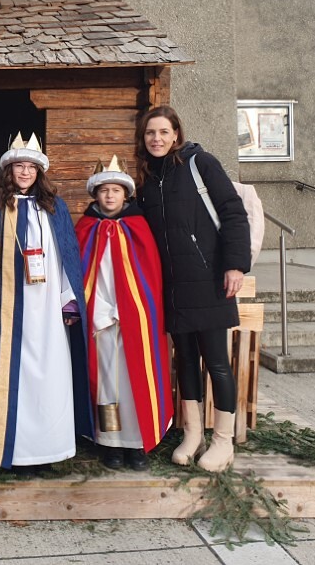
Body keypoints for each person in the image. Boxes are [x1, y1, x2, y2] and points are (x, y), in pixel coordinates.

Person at [0, 133, 93, 471]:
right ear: (8, 170)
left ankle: (46, 450)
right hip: (5, 310)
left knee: (47, 376)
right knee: (10, 373)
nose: (24, 172)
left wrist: (68, 301)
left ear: (39, 172)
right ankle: (10, 450)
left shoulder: (54, 207)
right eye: (19, 166)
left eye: (31, 167)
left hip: (47, 308)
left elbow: (67, 256)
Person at [135, 106, 251, 473]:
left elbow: (233, 212)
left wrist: (235, 264)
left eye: (163, 132)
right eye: (150, 133)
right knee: (184, 360)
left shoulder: (201, 164)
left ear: (176, 134)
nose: (156, 139)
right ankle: (193, 435)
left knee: (216, 360)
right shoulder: (147, 177)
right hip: (171, 285)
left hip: (208, 277)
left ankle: (223, 441)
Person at [75, 158, 173, 471]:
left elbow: (148, 278)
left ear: (125, 194)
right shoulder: (85, 228)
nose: (109, 196)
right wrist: (101, 312)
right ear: (95, 194)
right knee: (106, 384)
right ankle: (111, 442)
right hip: (101, 321)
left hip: (135, 319)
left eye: (115, 190)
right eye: (104, 190)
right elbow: (82, 276)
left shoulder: (139, 227)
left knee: (134, 382)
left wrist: (129, 310)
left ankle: (136, 443)